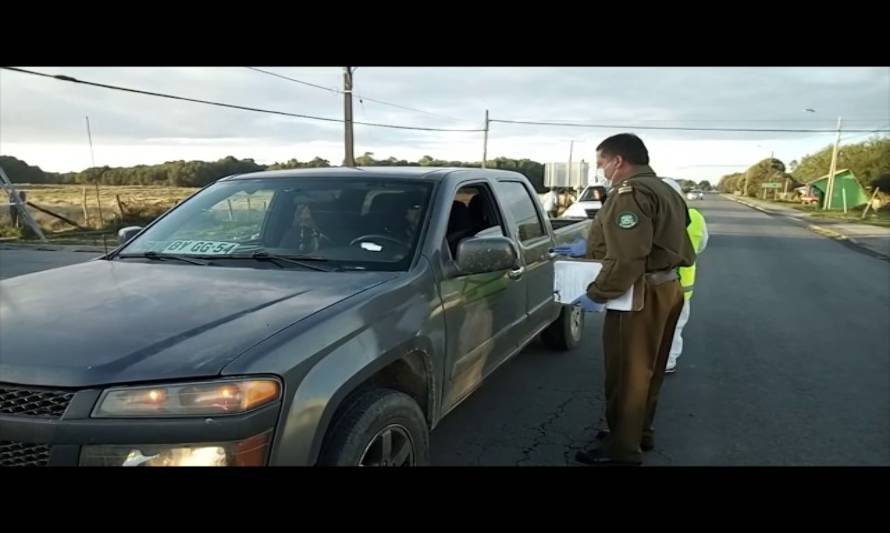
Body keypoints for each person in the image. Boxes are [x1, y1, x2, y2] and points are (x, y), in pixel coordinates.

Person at [554, 133, 695, 466]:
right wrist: (589, 248)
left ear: (618, 161)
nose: (602, 170)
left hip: (640, 295)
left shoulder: (630, 193)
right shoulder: (664, 189)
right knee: (649, 371)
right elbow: (662, 237)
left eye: (602, 163)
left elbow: (629, 256)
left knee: (627, 374)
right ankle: (636, 433)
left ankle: (621, 451)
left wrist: (597, 293)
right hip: (666, 287)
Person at [660, 178, 709, 374]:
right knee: (675, 325)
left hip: (654, 284)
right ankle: (668, 362)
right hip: (682, 286)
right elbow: (702, 244)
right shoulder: (695, 217)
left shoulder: (652, 215)